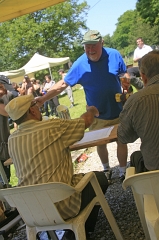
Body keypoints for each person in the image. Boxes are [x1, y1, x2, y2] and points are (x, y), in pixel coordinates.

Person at [5, 94, 108, 239]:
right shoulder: (53, 127)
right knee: (100, 178)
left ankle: (69, 233)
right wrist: (91, 110)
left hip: (32, 210)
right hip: (62, 206)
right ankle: (77, 232)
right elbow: (85, 122)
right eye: (36, 105)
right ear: (32, 111)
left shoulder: (12, 140)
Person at [36, 30, 130, 181]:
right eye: (87, 46)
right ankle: (107, 169)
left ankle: (123, 171)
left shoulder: (114, 54)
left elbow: (124, 73)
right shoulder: (80, 64)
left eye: (94, 46)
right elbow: (62, 84)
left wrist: (126, 79)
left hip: (119, 109)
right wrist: (44, 98)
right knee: (100, 144)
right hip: (97, 114)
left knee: (122, 140)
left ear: (102, 43)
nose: (91, 50)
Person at [117, 50, 159, 174]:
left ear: (144, 76)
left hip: (155, 174)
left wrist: (127, 111)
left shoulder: (137, 101)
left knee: (136, 157)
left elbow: (124, 137)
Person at [0, 84, 14, 183]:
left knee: (5, 178)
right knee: (4, 180)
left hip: (3, 145)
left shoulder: (3, 99)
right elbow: (8, 112)